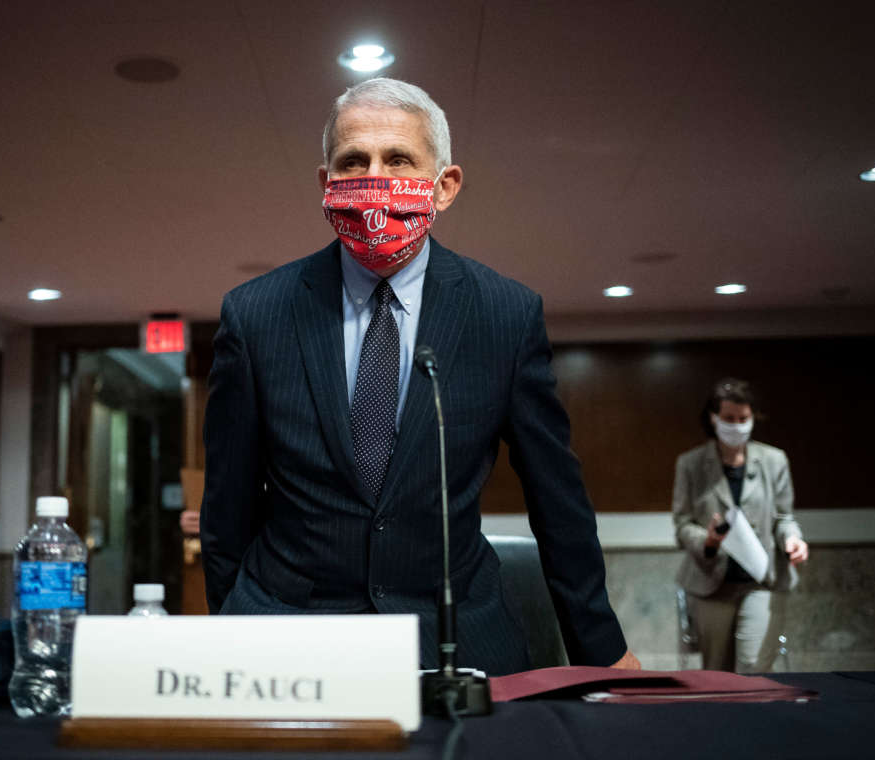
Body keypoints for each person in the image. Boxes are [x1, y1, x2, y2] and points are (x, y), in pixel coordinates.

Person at [200, 77, 638, 674]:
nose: (373, 176)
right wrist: (230, 629)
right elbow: (227, 504)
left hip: (454, 633)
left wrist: (603, 652)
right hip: (285, 634)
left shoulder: (505, 314)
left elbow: (557, 498)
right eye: (353, 162)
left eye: (398, 159)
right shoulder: (255, 315)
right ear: (327, 185)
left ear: (445, 185)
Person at [672, 378, 809, 672]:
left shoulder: (773, 460)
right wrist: (706, 540)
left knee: (753, 667)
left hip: (761, 580)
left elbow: (785, 518)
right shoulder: (691, 464)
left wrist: (793, 540)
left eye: (743, 419)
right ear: (713, 418)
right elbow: (682, 524)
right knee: (717, 673)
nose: (737, 426)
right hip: (712, 583)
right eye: (729, 419)